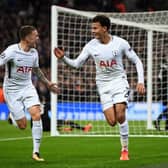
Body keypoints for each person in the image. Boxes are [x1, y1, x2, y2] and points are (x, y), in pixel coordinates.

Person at [54, 15, 145, 160]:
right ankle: (123, 141)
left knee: (120, 115)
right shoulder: (91, 46)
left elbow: (137, 61)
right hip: (103, 86)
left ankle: (125, 150)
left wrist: (140, 81)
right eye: (92, 28)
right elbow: (77, 65)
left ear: (105, 28)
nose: (93, 31)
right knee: (111, 122)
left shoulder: (120, 43)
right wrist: (63, 58)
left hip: (119, 82)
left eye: (95, 28)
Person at [0, 25, 59, 162]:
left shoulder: (34, 52)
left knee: (36, 113)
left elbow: (36, 70)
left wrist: (48, 83)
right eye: (35, 35)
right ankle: (13, 117)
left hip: (27, 87)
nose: (38, 38)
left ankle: (36, 152)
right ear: (27, 38)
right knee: (23, 126)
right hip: (12, 90)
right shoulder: (11, 51)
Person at [153, 46, 168, 131]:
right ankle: (158, 121)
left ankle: (165, 125)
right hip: (165, 90)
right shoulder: (164, 70)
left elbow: (159, 80)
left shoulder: (162, 70)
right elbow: (159, 80)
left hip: (163, 90)